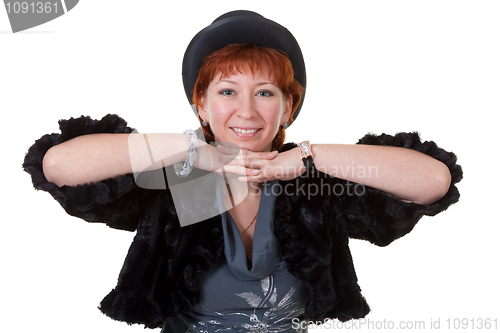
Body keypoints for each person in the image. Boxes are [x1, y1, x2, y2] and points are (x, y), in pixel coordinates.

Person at [23, 10, 462, 333]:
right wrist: (188, 148)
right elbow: (57, 166)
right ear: (201, 104)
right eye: (227, 90)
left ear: (288, 106)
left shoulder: (311, 183)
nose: (246, 111)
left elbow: (433, 181)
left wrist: (306, 156)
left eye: (265, 92)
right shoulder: (178, 177)